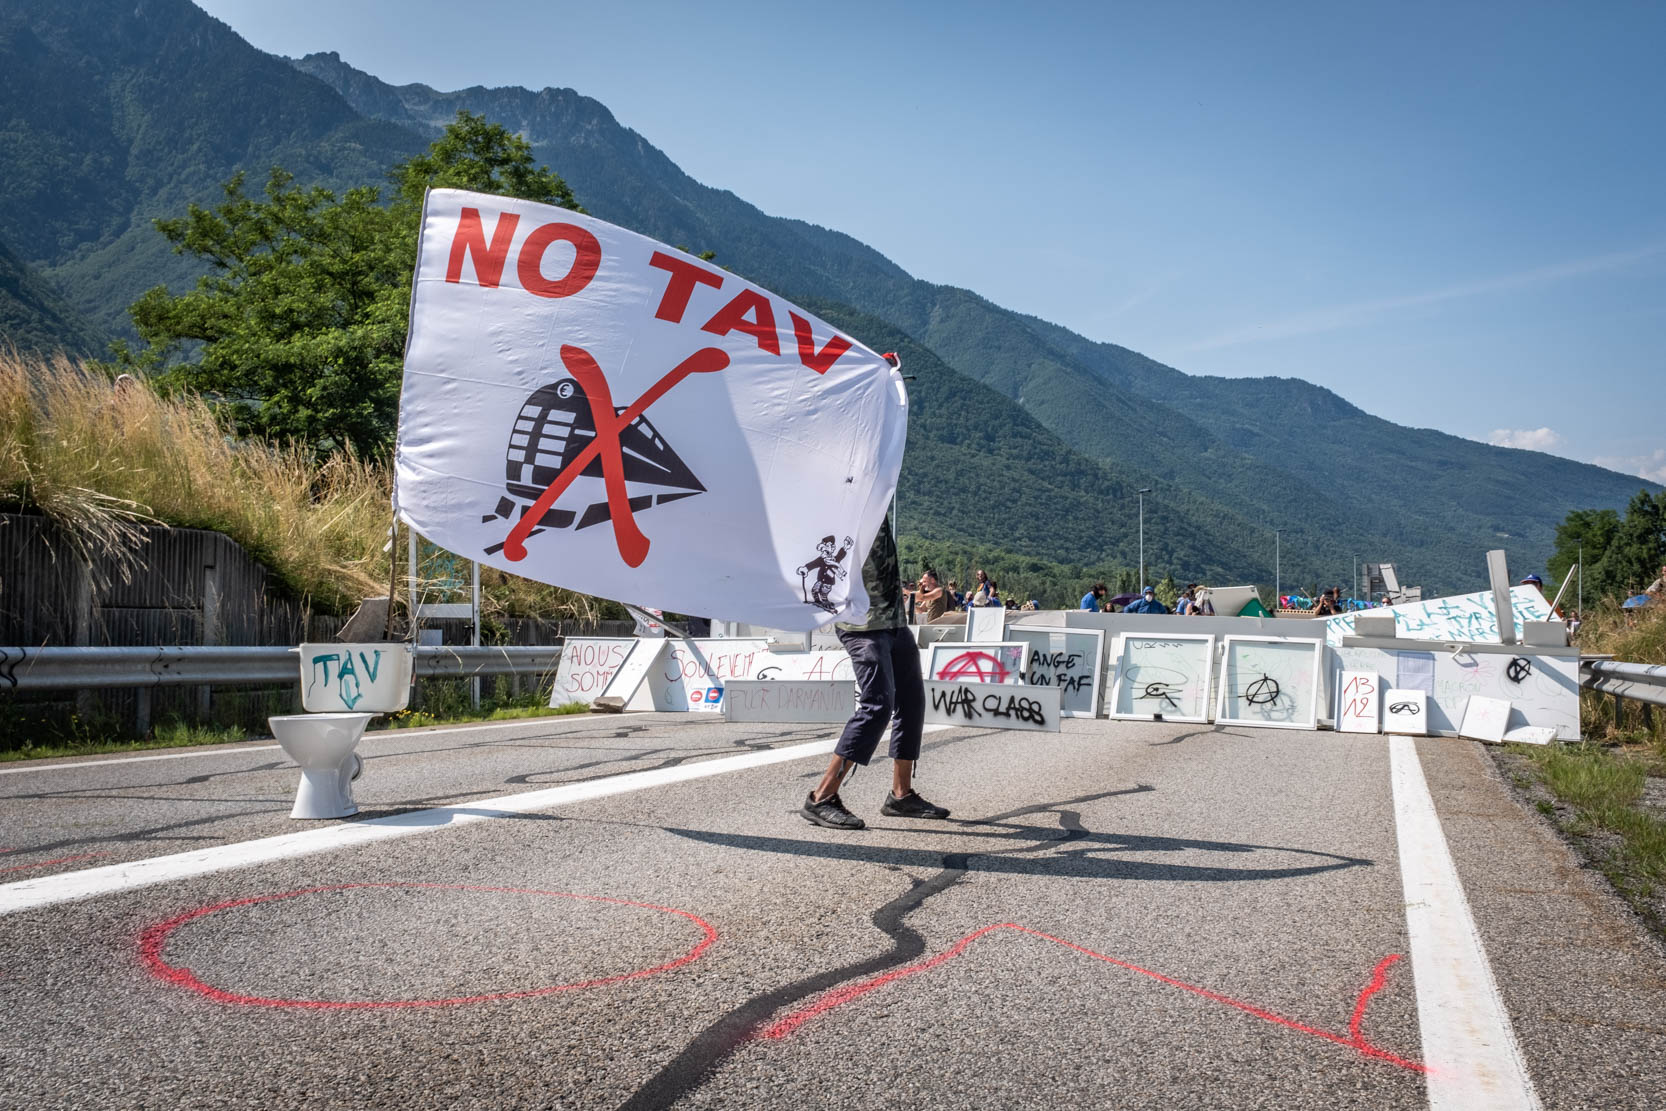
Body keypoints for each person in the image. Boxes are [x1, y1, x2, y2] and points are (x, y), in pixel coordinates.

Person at [801, 512, 950, 831]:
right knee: (877, 706)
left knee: (911, 703)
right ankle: (821, 797)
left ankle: (901, 795)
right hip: (862, 625)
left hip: (894, 621)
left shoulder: (877, 494)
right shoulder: (842, 499)